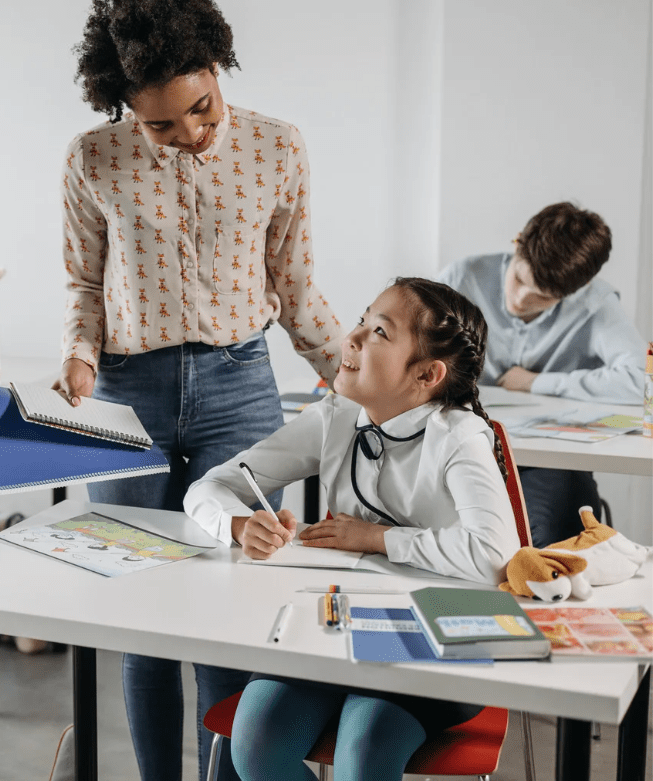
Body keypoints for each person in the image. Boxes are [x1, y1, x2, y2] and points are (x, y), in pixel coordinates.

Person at [51, 0, 343, 781]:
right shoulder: (92, 159)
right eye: (161, 123)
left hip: (239, 385)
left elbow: (297, 284)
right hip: (126, 394)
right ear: (124, 106)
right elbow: (83, 284)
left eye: (204, 108)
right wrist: (78, 352)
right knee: (143, 612)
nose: (191, 134)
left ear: (220, 68)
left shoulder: (278, 147)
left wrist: (353, 378)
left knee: (229, 603)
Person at [184, 277, 521, 781]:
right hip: (337, 629)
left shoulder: (459, 436)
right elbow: (207, 487)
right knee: (255, 744)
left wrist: (376, 538)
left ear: (427, 374)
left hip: (435, 640)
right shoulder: (336, 416)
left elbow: (495, 554)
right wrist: (236, 525)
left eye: (380, 333)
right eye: (362, 320)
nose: (353, 337)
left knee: (362, 755)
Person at [438, 202, 646, 547]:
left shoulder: (595, 303)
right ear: (517, 243)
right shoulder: (462, 278)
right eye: (519, 279)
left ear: (575, 291)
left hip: (546, 463)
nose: (520, 300)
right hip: (458, 446)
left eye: (542, 298)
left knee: (554, 538)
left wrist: (537, 382)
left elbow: (642, 380)